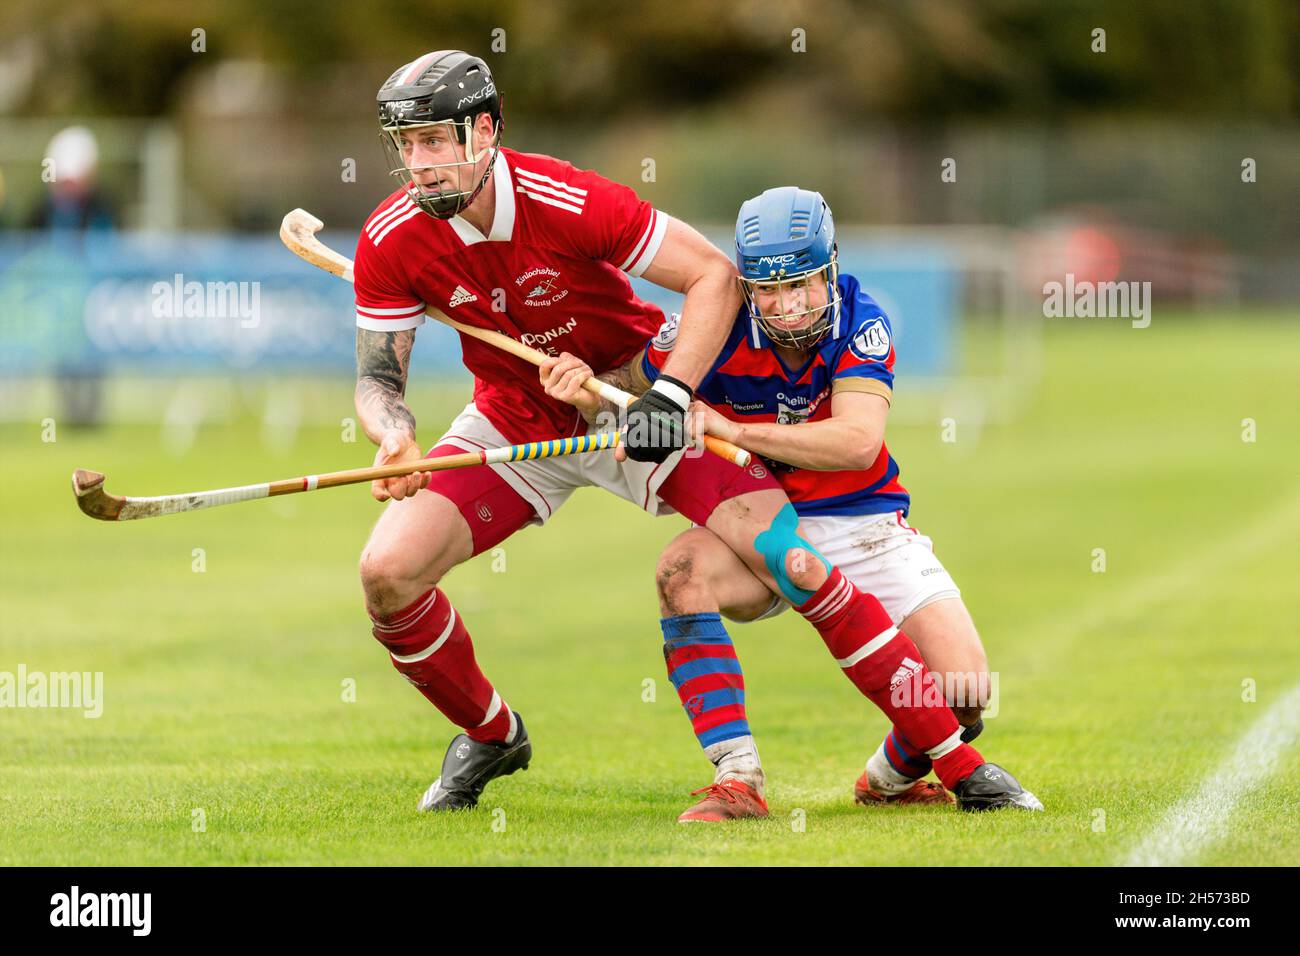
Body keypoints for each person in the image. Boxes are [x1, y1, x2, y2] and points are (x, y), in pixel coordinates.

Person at [352, 51, 959, 819]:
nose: (421, 165)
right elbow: (378, 381)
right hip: (517, 415)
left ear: (485, 130)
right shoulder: (391, 237)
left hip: (628, 392)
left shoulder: (564, 198)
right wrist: (392, 437)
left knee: (791, 558)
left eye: (436, 141)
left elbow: (713, 275)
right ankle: (494, 733)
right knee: (387, 572)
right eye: (407, 146)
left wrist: (669, 393)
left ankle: (959, 765)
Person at [541, 187, 1042, 816]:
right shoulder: (712, 327)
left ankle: (890, 777)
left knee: (967, 691)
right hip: (754, 524)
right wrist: (585, 392)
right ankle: (737, 777)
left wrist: (732, 430)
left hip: (864, 523)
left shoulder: (862, 317)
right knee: (680, 572)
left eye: (800, 285)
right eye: (768, 291)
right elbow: (628, 388)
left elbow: (858, 443)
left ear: (830, 269)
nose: (786, 306)